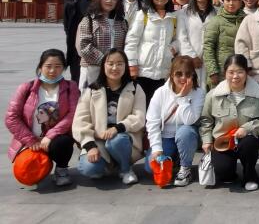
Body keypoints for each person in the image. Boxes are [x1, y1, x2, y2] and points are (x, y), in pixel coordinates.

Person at [5, 49, 79, 187]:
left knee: (63, 142)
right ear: (40, 67)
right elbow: (11, 118)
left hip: (54, 140)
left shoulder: (71, 87)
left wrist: (50, 136)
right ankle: (42, 164)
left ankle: (61, 169)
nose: (52, 71)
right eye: (48, 66)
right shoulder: (26, 88)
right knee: (26, 174)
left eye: (58, 66)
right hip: (30, 142)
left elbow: (72, 115)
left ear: (64, 68)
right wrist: (30, 140)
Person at [73, 49, 146, 184]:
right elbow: (80, 122)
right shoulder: (92, 90)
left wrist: (118, 128)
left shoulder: (135, 88)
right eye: (110, 63)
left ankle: (125, 169)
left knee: (117, 140)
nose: (114, 68)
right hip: (99, 139)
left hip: (123, 138)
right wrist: (90, 145)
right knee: (90, 169)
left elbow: (139, 117)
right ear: (103, 66)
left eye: (119, 64)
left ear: (125, 66)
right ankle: (109, 164)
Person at [199, 54, 259, 191]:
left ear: (246, 73)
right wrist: (206, 141)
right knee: (223, 172)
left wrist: (247, 128)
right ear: (225, 73)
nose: (235, 76)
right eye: (231, 72)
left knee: (249, 143)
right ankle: (230, 172)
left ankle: (250, 175)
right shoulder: (213, 95)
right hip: (222, 142)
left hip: (247, 139)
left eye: (240, 72)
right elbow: (206, 120)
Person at [145, 56, 205, 187]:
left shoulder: (198, 93)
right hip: (166, 136)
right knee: (150, 167)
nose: (183, 78)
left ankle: (185, 168)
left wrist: (183, 98)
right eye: (179, 74)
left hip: (186, 135)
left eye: (188, 74)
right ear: (172, 75)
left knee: (185, 132)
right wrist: (157, 149)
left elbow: (190, 120)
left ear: (193, 75)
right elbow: (152, 122)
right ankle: (175, 159)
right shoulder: (160, 92)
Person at [124, 0, 178, 104]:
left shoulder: (173, 17)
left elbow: (177, 39)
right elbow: (131, 41)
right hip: (142, 71)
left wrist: (173, 48)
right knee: (140, 105)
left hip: (164, 71)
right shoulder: (143, 14)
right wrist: (132, 64)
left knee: (158, 106)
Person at [76, 0, 128, 90]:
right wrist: (105, 61)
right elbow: (84, 46)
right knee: (91, 97)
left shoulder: (122, 22)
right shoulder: (89, 20)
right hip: (92, 68)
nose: (110, 1)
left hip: (114, 70)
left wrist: (116, 63)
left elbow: (125, 45)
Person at [176, 0, 217, 90]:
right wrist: (192, 57)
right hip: (189, 59)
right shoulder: (183, 13)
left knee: (209, 91)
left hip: (210, 60)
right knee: (189, 89)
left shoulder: (216, 12)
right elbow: (181, 37)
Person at [203, 0, 246, 90]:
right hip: (220, 72)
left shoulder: (246, 20)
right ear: (222, 1)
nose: (231, 3)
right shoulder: (216, 21)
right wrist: (212, 71)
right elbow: (208, 47)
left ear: (240, 2)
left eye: (235, 0)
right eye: (228, 0)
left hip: (240, 71)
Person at [64, 0, 102, 83]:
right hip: (78, 53)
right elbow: (68, 27)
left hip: (101, 51)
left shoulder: (106, 1)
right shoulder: (73, 1)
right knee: (78, 84)